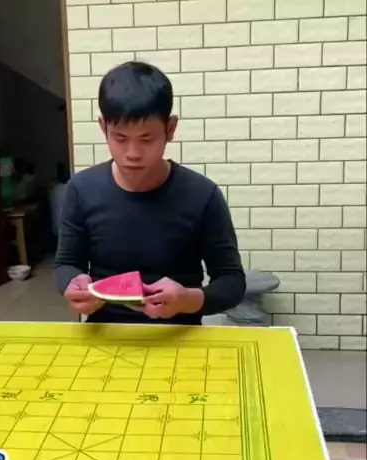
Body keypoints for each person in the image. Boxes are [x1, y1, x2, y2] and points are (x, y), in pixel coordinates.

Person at [54, 61, 246, 325]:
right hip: (105, 333)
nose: (132, 153)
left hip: (180, 334)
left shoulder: (203, 195)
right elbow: (66, 263)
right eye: (120, 138)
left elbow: (232, 282)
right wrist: (72, 283)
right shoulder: (80, 189)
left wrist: (188, 300)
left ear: (170, 128)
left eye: (146, 139)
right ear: (103, 127)